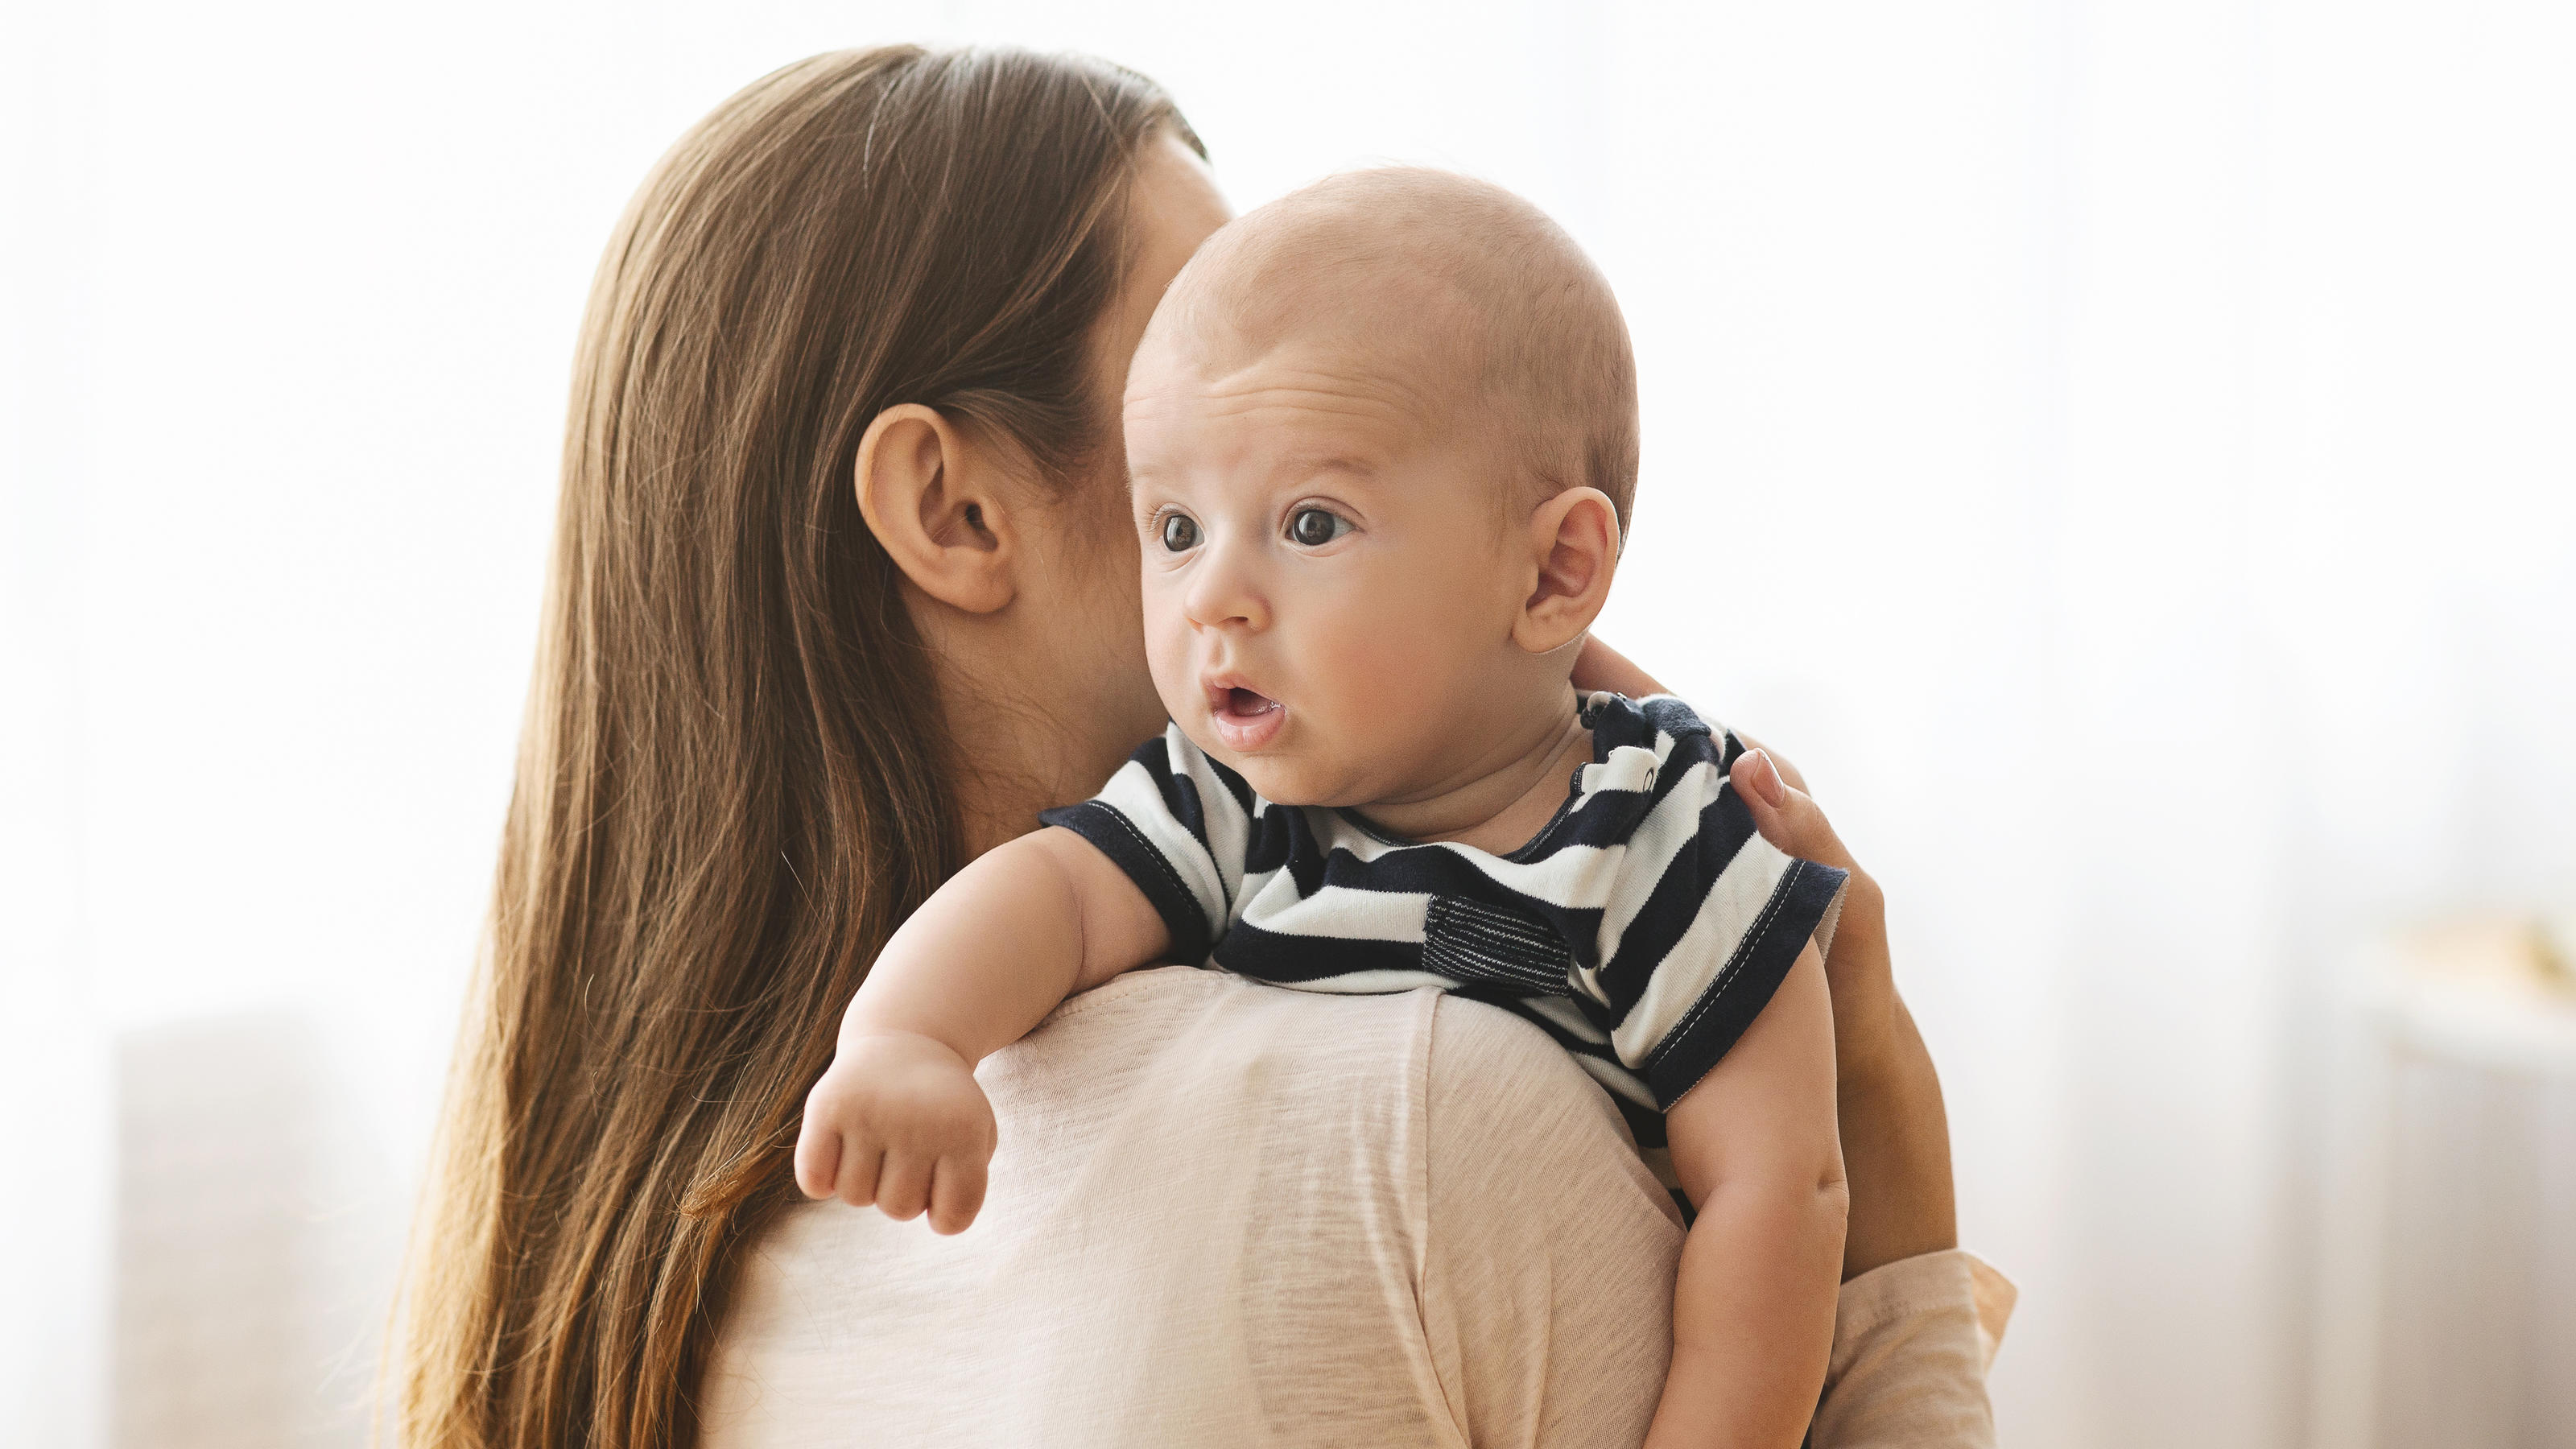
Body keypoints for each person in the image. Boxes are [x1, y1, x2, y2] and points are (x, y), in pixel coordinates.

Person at [390, 45, 2009, 1449]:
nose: (1259, 384)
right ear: (954, 512)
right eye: (1184, 391)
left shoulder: (624, 1260)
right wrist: (1889, 1173)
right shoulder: (1419, 1121)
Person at [793, 167, 1852, 1448]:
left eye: (1308, 522)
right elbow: (1054, 897)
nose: (1211, 598)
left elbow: (1776, 1192)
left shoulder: (1660, 823)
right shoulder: (1241, 802)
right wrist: (906, 1039)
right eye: (1175, 527)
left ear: (1555, 570)